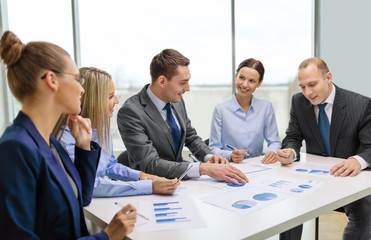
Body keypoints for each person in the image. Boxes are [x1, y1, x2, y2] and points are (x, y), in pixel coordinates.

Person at [0, 31, 136, 239]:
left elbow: (81, 198)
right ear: (52, 80)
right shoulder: (15, 148)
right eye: (77, 79)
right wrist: (106, 236)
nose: (82, 90)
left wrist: (84, 148)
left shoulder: (48, 141)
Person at [117, 49, 248, 184]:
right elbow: (151, 164)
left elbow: (190, 136)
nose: (188, 88)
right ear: (162, 81)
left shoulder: (176, 100)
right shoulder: (131, 112)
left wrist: (209, 157)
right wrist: (204, 168)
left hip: (179, 180)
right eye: (182, 82)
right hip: (151, 184)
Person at [277, 57, 371, 240]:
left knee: (366, 211)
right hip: (313, 178)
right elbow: (293, 137)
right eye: (302, 87)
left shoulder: (361, 105)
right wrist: (290, 151)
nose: (308, 92)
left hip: (349, 180)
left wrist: (357, 160)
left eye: (312, 84)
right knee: (288, 207)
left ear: (328, 77)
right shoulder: (298, 102)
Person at [53, 67, 179, 197]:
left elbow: (109, 165)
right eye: (110, 96)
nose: (117, 101)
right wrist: (148, 186)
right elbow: (90, 184)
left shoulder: (102, 124)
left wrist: (142, 176)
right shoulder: (65, 136)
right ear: (93, 100)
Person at [209, 58, 281, 163]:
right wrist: (230, 155)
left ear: (259, 83)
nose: (245, 85)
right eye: (242, 78)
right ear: (236, 77)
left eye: (252, 81)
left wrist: (272, 152)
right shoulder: (221, 109)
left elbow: (274, 141)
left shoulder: (265, 107)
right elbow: (213, 148)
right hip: (231, 166)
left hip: (258, 166)